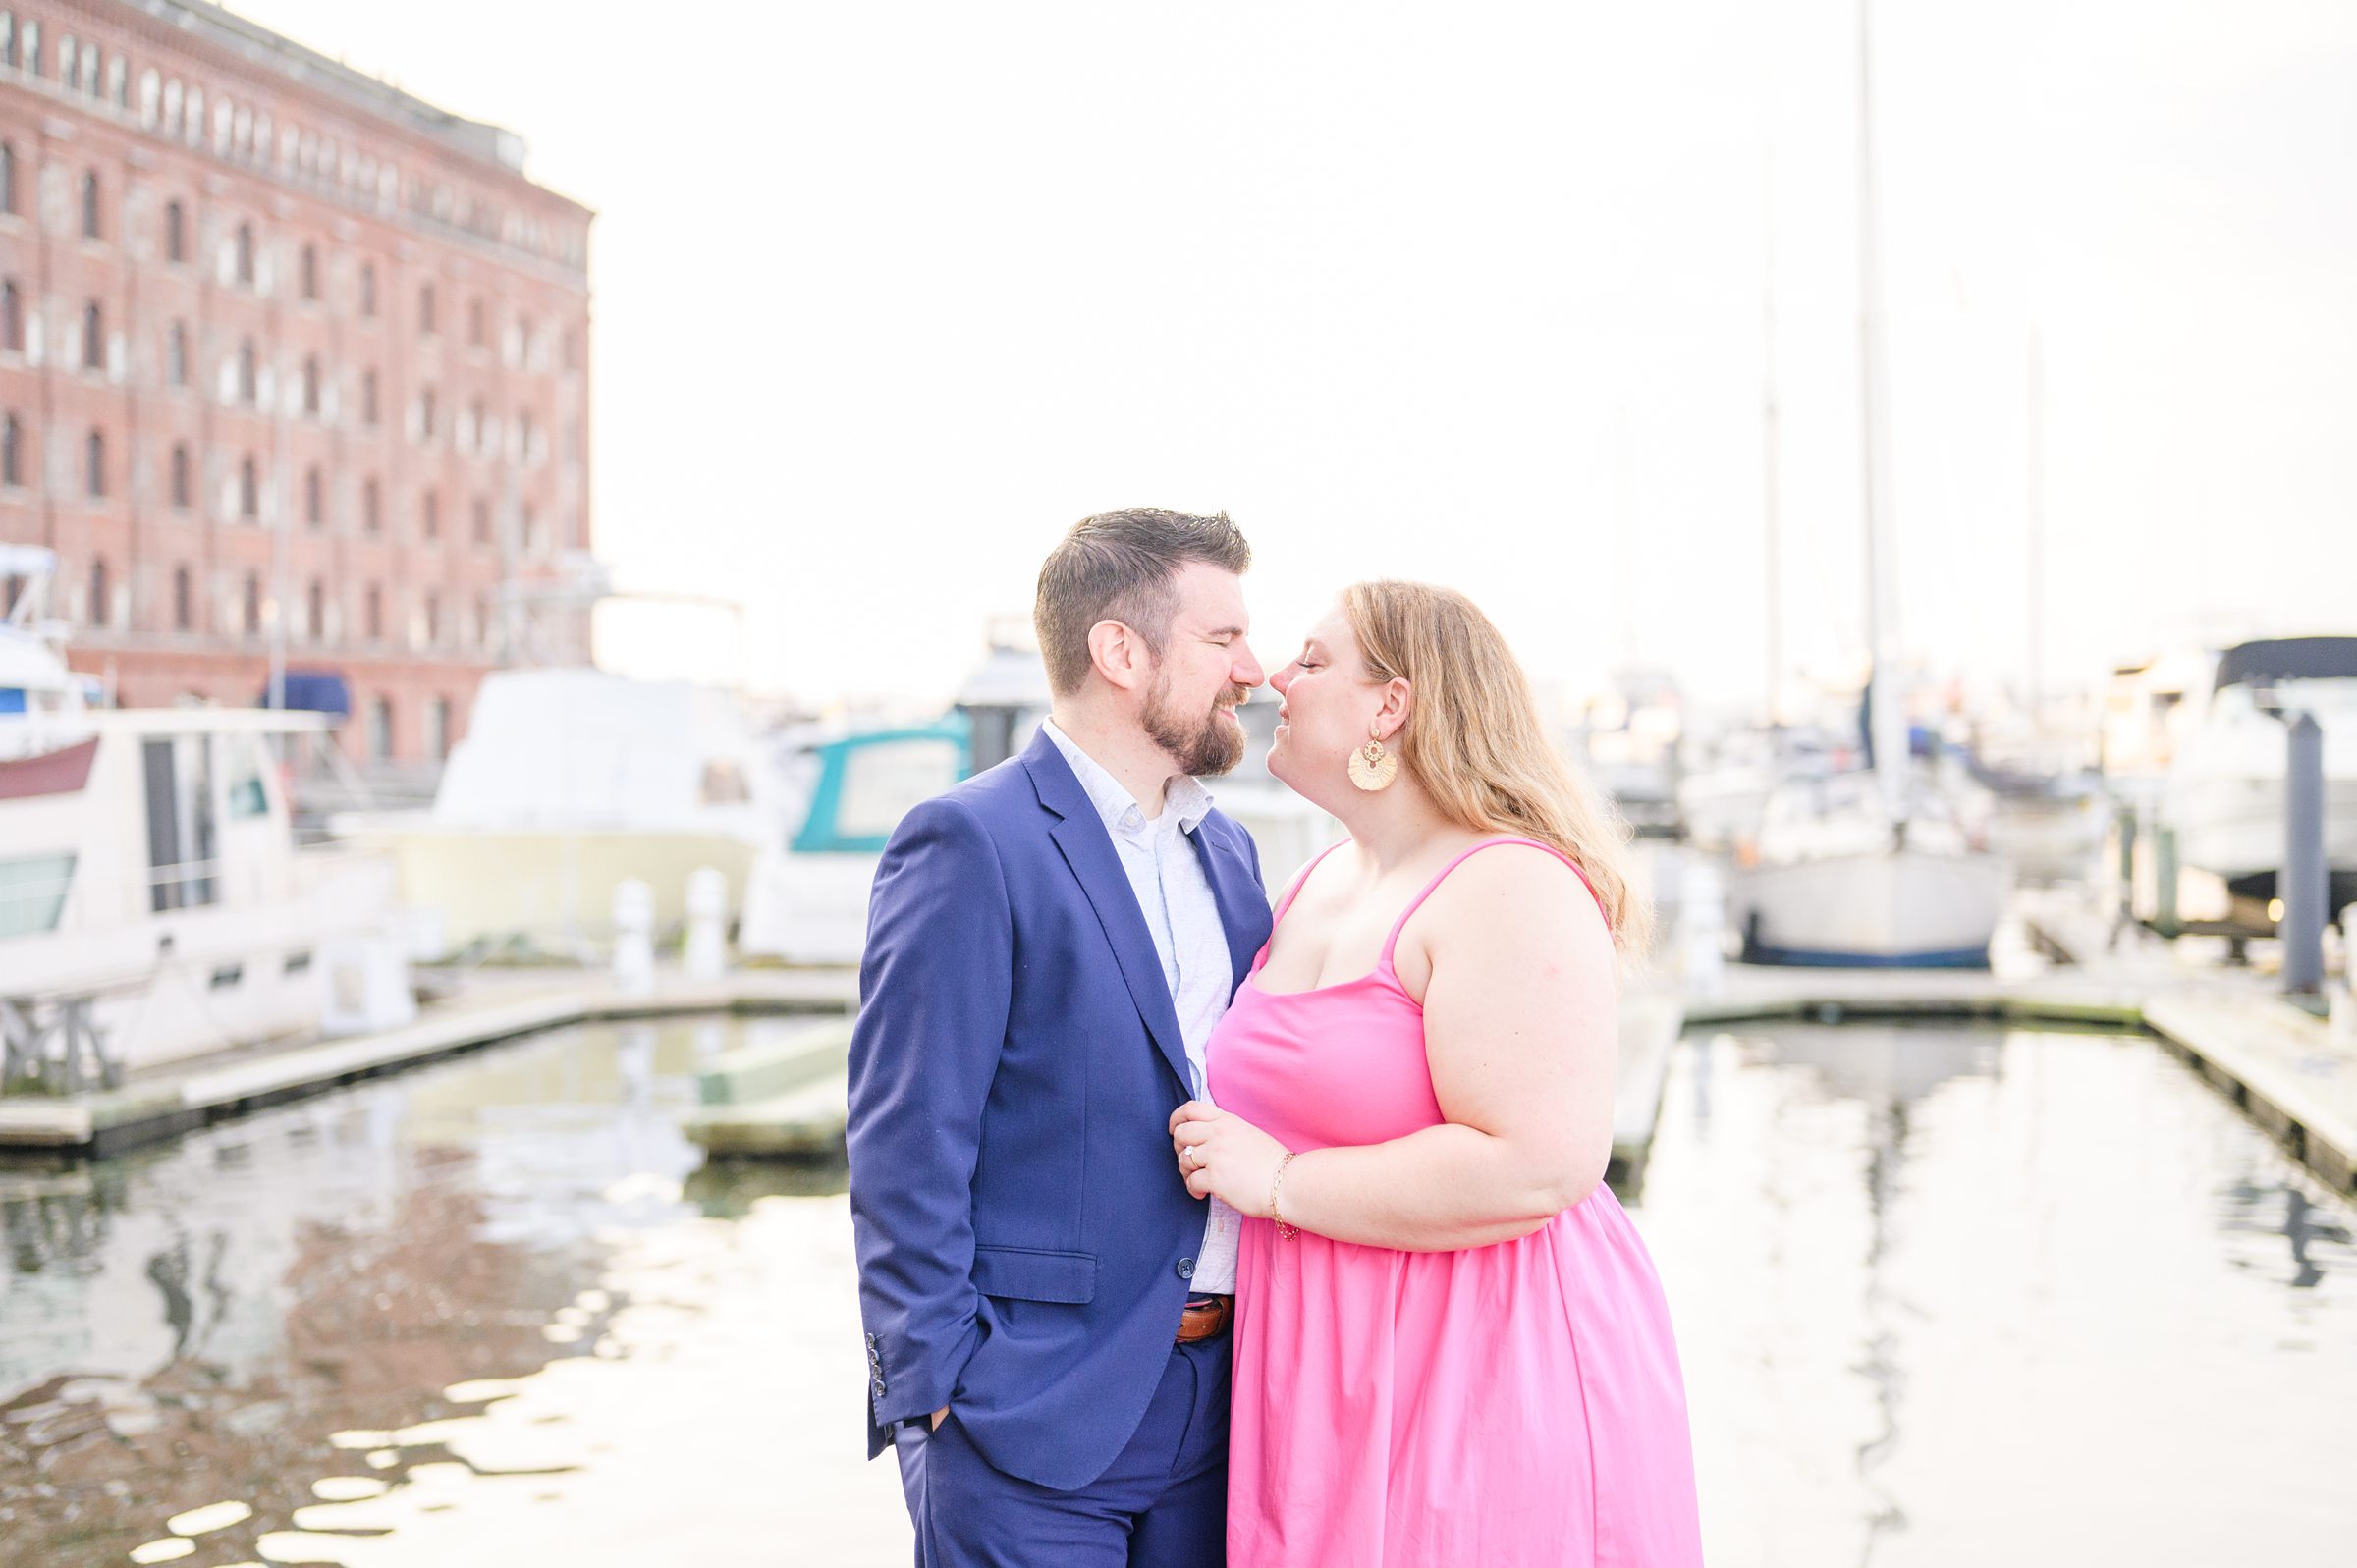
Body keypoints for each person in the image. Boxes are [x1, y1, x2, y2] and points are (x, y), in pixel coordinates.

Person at [1171, 580, 1705, 1567]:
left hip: (1483, 1360)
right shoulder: (1315, 881)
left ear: (1393, 706)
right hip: (1329, 1359)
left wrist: (1280, 1182)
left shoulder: (1510, 883)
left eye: (1315, 660)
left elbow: (1540, 1164)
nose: (1276, 676)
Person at [849, 507, 1274, 1567]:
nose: (1253, 670)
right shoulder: (970, 841)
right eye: (1222, 640)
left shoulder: (1229, 854)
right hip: (1026, 1419)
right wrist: (938, 1392)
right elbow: (907, 1142)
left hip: (1225, 1412)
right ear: (1120, 651)